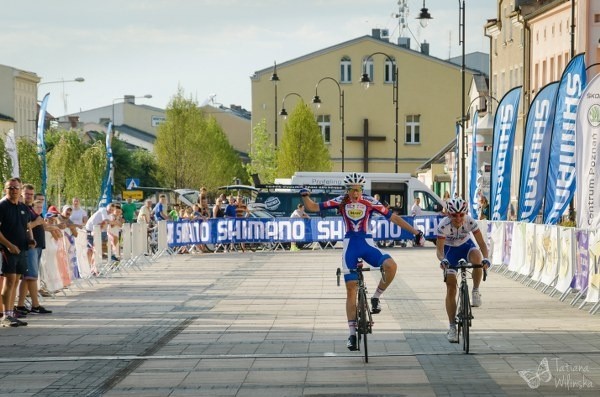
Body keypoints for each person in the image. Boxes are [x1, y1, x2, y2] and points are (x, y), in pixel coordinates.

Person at [300, 172, 425, 351]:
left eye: (358, 189)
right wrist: (305, 196)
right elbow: (313, 207)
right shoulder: (341, 201)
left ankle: (375, 297)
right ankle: (351, 334)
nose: (355, 193)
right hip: (350, 246)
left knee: (391, 266)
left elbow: (394, 218)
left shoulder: (370, 202)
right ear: (347, 190)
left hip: (367, 243)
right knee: (351, 290)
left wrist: (416, 233)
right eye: (351, 189)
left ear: (362, 189)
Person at [436, 197, 490, 343]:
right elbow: (439, 251)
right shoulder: (443, 225)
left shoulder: (470, 221)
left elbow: (482, 244)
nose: (458, 218)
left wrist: (486, 258)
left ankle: (475, 291)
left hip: (466, 246)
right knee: (451, 288)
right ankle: (452, 326)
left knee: (477, 257)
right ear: (448, 214)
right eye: (454, 215)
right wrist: (443, 260)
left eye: (461, 214)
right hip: (450, 252)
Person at [0, 178, 35, 327]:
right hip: (7, 249)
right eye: (10, 188)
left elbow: (27, 226)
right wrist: (8, 245)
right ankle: (5, 315)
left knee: (16, 281)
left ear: (20, 189)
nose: (14, 190)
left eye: (16, 188)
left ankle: (11, 313)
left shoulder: (23, 207)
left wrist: (31, 240)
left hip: (22, 249)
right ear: (5, 190)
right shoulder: (2, 206)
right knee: (9, 280)